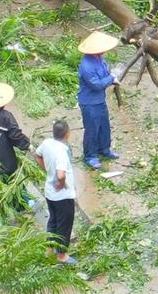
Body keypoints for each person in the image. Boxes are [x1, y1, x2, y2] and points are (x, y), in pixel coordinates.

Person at [35, 119, 78, 265]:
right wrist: (61, 183)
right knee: (64, 225)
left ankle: (49, 248)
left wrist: (47, 170)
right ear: (67, 134)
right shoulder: (61, 153)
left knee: (53, 220)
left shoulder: (47, 143)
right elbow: (61, 174)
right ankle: (62, 255)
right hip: (62, 196)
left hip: (49, 192)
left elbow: (37, 154)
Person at [77, 31, 121, 170]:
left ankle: (105, 149)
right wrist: (111, 78)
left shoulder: (100, 59)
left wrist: (112, 78)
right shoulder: (87, 66)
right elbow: (96, 85)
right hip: (89, 103)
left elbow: (106, 74)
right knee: (92, 129)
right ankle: (90, 155)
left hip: (100, 101)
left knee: (104, 126)